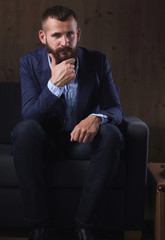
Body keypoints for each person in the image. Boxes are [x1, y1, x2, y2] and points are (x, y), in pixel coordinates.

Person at [13, 5, 123, 240]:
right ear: (43, 37)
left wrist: (96, 117)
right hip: (47, 142)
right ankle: (38, 227)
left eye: (70, 34)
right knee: (24, 131)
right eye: (56, 35)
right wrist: (54, 86)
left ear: (78, 34)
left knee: (112, 133)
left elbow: (114, 108)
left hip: (84, 141)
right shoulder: (29, 63)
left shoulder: (97, 61)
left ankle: (85, 227)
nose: (65, 42)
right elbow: (30, 116)